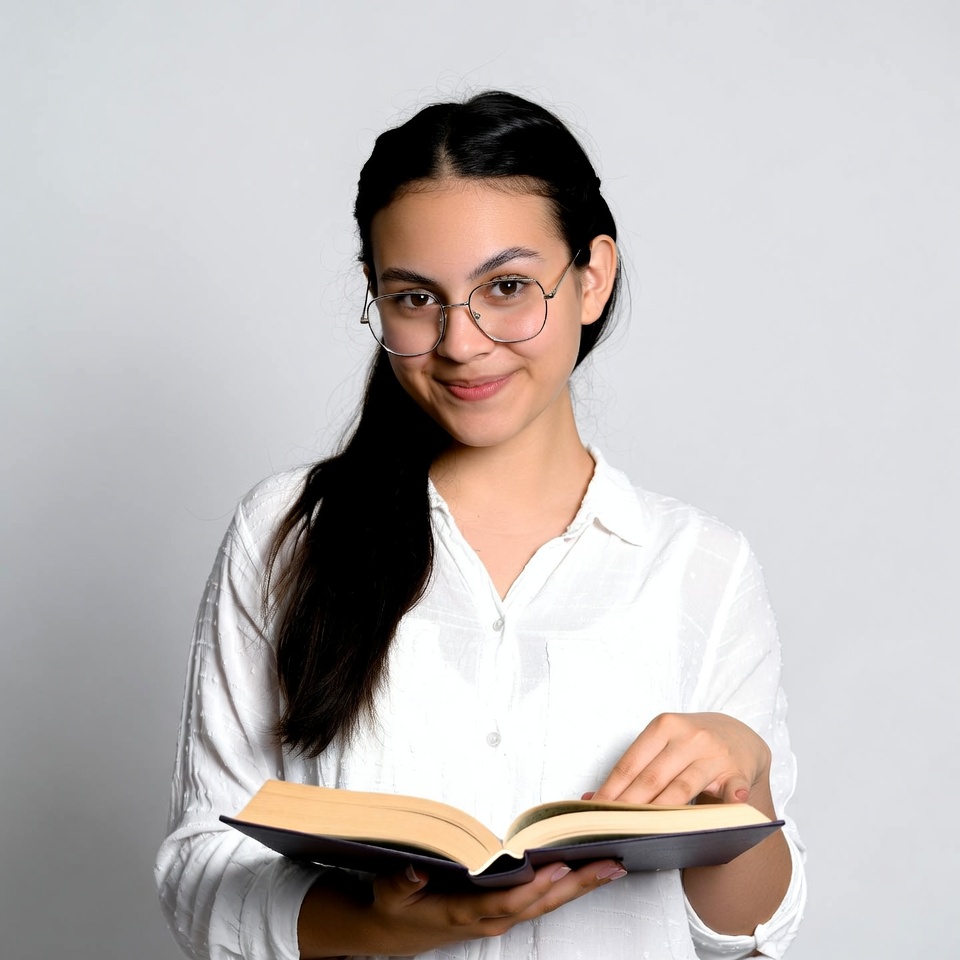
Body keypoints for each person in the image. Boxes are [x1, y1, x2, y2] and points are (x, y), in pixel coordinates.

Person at [155, 90, 806, 960]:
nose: (460, 342)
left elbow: (747, 937)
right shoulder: (286, 534)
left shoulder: (702, 567)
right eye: (415, 297)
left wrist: (746, 779)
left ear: (592, 277)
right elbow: (202, 875)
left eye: (506, 288)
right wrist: (379, 926)